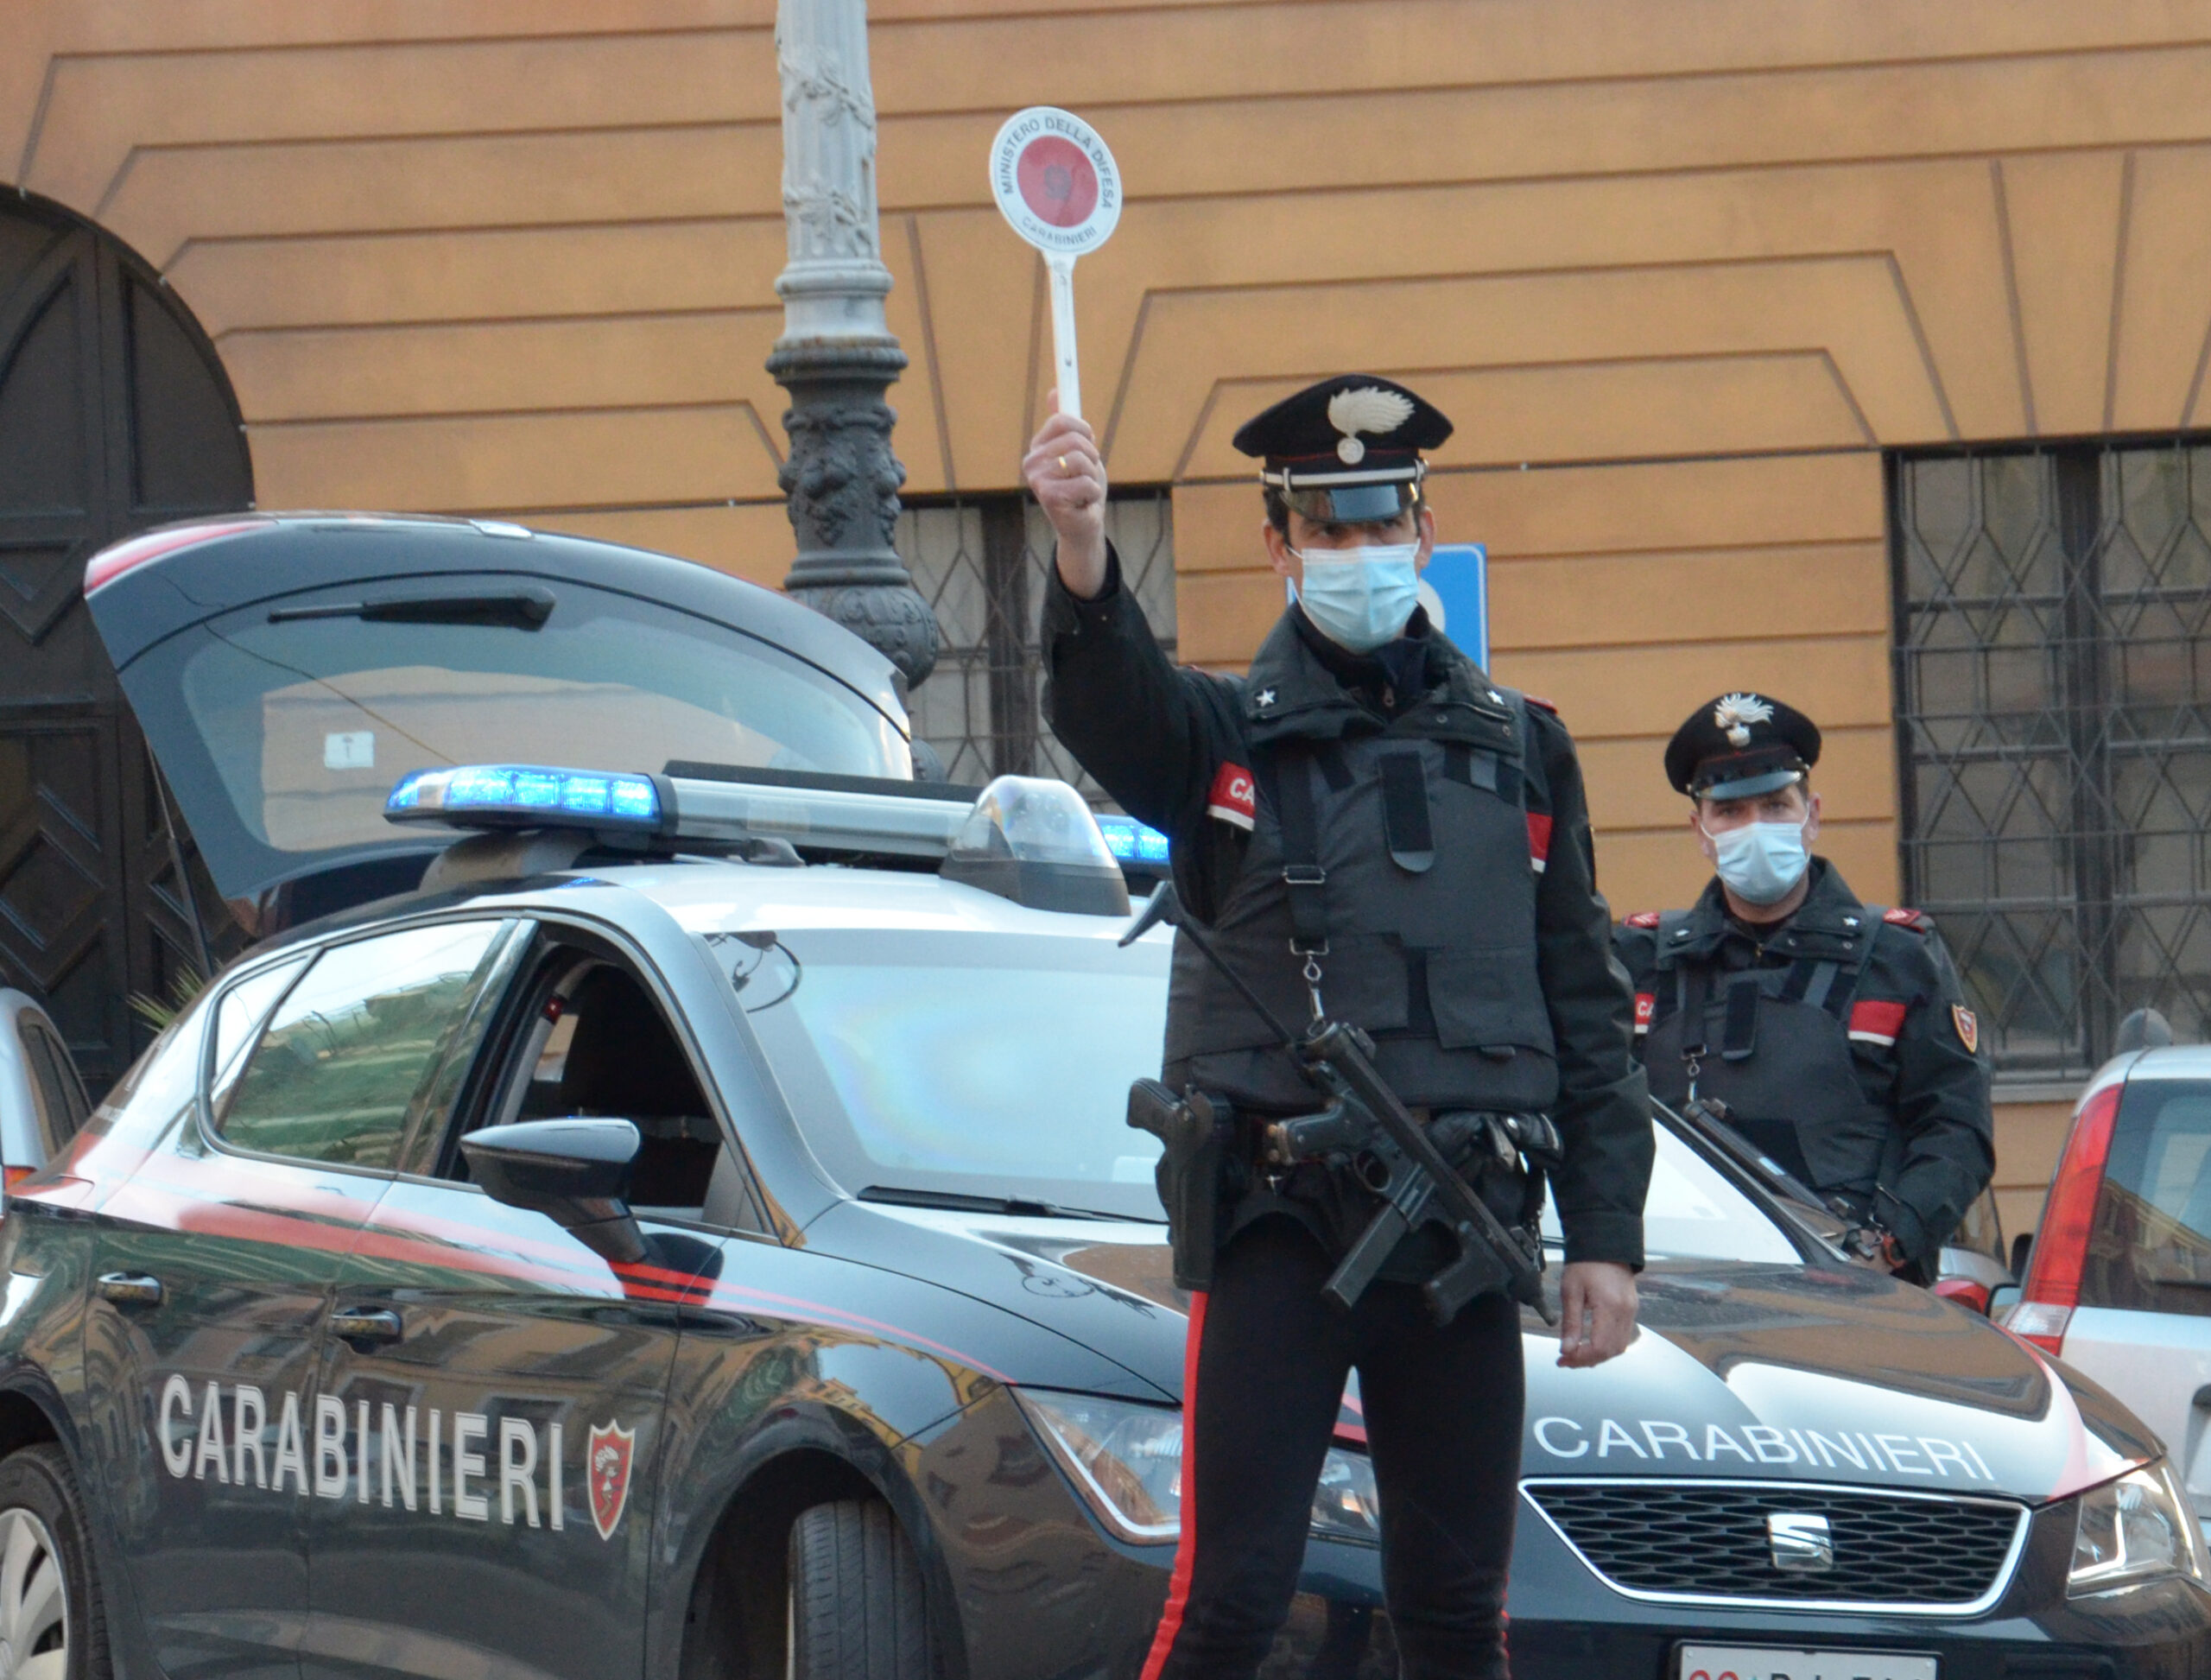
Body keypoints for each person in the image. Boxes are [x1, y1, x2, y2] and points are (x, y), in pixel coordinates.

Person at [1025, 373, 1652, 1680]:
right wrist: (1083, 548)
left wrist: (1605, 1238)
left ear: (1422, 531)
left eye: (1379, 527)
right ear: (1280, 544)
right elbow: (1106, 704)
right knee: (1235, 1597)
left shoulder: (1523, 747)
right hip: (1280, 1222)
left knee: (1457, 1611)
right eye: (1329, 529)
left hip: (1464, 1223)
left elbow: (1584, 1002)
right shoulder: (1221, 736)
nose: (1358, 555)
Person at [1614, 693, 1993, 1279]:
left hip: (1855, 1293)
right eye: (1730, 812)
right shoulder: (1643, 958)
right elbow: (1598, 1117)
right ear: (1701, 829)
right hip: (1685, 1289)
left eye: (1774, 805)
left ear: (1811, 815)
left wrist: (1887, 1245)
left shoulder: (1898, 956)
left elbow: (1955, 1127)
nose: (1754, 828)